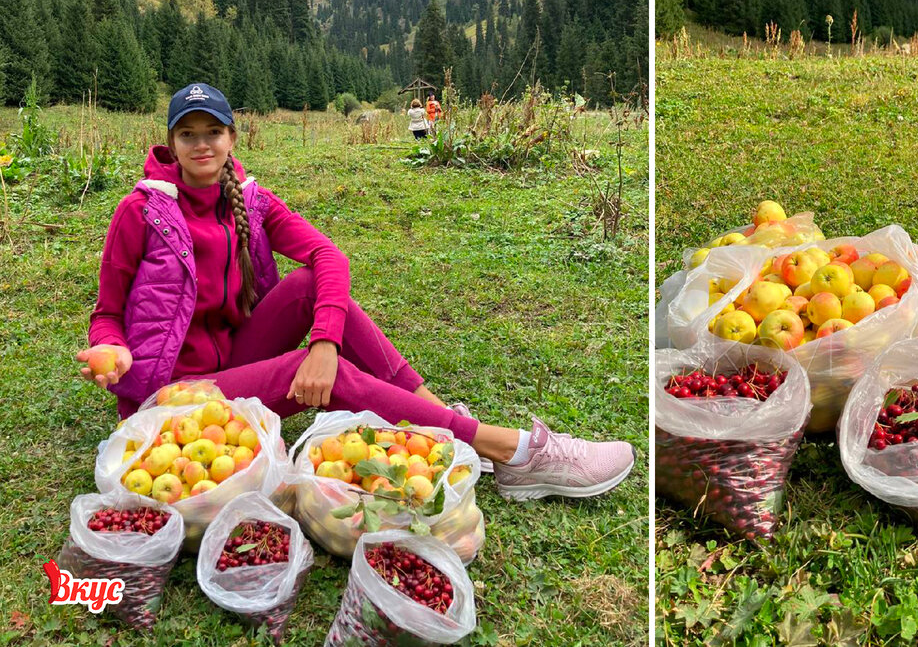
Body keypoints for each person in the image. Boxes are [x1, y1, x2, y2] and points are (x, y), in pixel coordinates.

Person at [77, 83, 634, 501]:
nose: (202, 145)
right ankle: (511, 451)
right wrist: (115, 349)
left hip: (236, 359)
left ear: (231, 137)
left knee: (309, 292)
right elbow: (106, 315)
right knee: (325, 374)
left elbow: (328, 258)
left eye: (212, 132)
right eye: (188, 134)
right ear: (170, 144)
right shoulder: (141, 211)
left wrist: (325, 340)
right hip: (179, 396)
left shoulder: (250, 201)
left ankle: (439, 417)